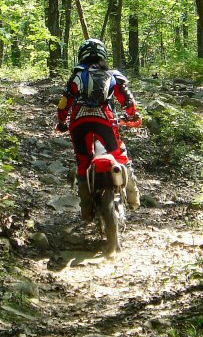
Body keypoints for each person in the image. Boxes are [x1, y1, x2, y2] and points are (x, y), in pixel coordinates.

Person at [56, 38, 141, 219]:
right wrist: (133, 116)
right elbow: (128, 99)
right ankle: (133, 198)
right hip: (105, 119)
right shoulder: (113, 75)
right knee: (119, 155)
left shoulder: (77, 76)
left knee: (83, 162)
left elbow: (64, 103)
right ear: (103, 55)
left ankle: (86, 209)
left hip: (79, 122)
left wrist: (61, 122)